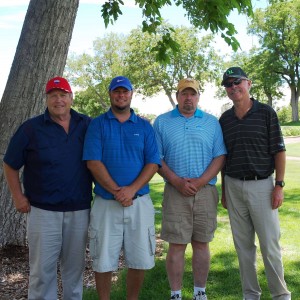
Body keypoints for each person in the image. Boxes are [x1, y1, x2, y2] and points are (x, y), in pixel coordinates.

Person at [3, 76, 93, 299]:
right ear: (46, 99)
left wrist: (134, 118)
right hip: (43, 212)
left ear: (71, 98)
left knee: (74, 271)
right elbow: (10, 164)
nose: (58, 100)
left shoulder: (87, 125)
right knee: (42, 273)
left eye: (63, 95)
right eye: (53, 95)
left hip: (79, 209)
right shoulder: (31, 129)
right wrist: (18, 196)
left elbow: (112, 134)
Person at [83, 76, 160, 300]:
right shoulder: (97, 124)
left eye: (124, 91)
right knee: (103, 259)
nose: (121, 95)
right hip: (106, 203)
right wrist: (118, 191)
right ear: (110, 94)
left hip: (139, 202)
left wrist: (132, 190)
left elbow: (153, 163)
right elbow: (93, 162)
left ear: (131, 94)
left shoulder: (145, 127)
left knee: (140, 258)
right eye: (116, 91)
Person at [219, 67, 291, 300]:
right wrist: (224, 190)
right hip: (233, 185)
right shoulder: (225, 120)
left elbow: (279, 150)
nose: (233, 87)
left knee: (270, 246)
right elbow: (224, 157)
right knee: (243, 248)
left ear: (248, 83)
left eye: (236, 82)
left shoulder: (266, 113)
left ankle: (280, 295)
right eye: (228, 84)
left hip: (262, 186)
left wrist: (278, 185)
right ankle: (250, 295)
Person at [153, 78, 226, 300]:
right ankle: (176, 294)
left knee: (201, 243)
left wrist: (201, 181)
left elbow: (220, 155)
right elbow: (157, 157)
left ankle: (199, 292)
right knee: (176, 244)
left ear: (198, 96)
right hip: (175, 192)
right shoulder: (162, 122)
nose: (188, 98)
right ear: (177, 96)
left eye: (192, 94)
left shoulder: (212, 122)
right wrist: (176, 180)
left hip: (205, 192)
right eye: (184, 94)